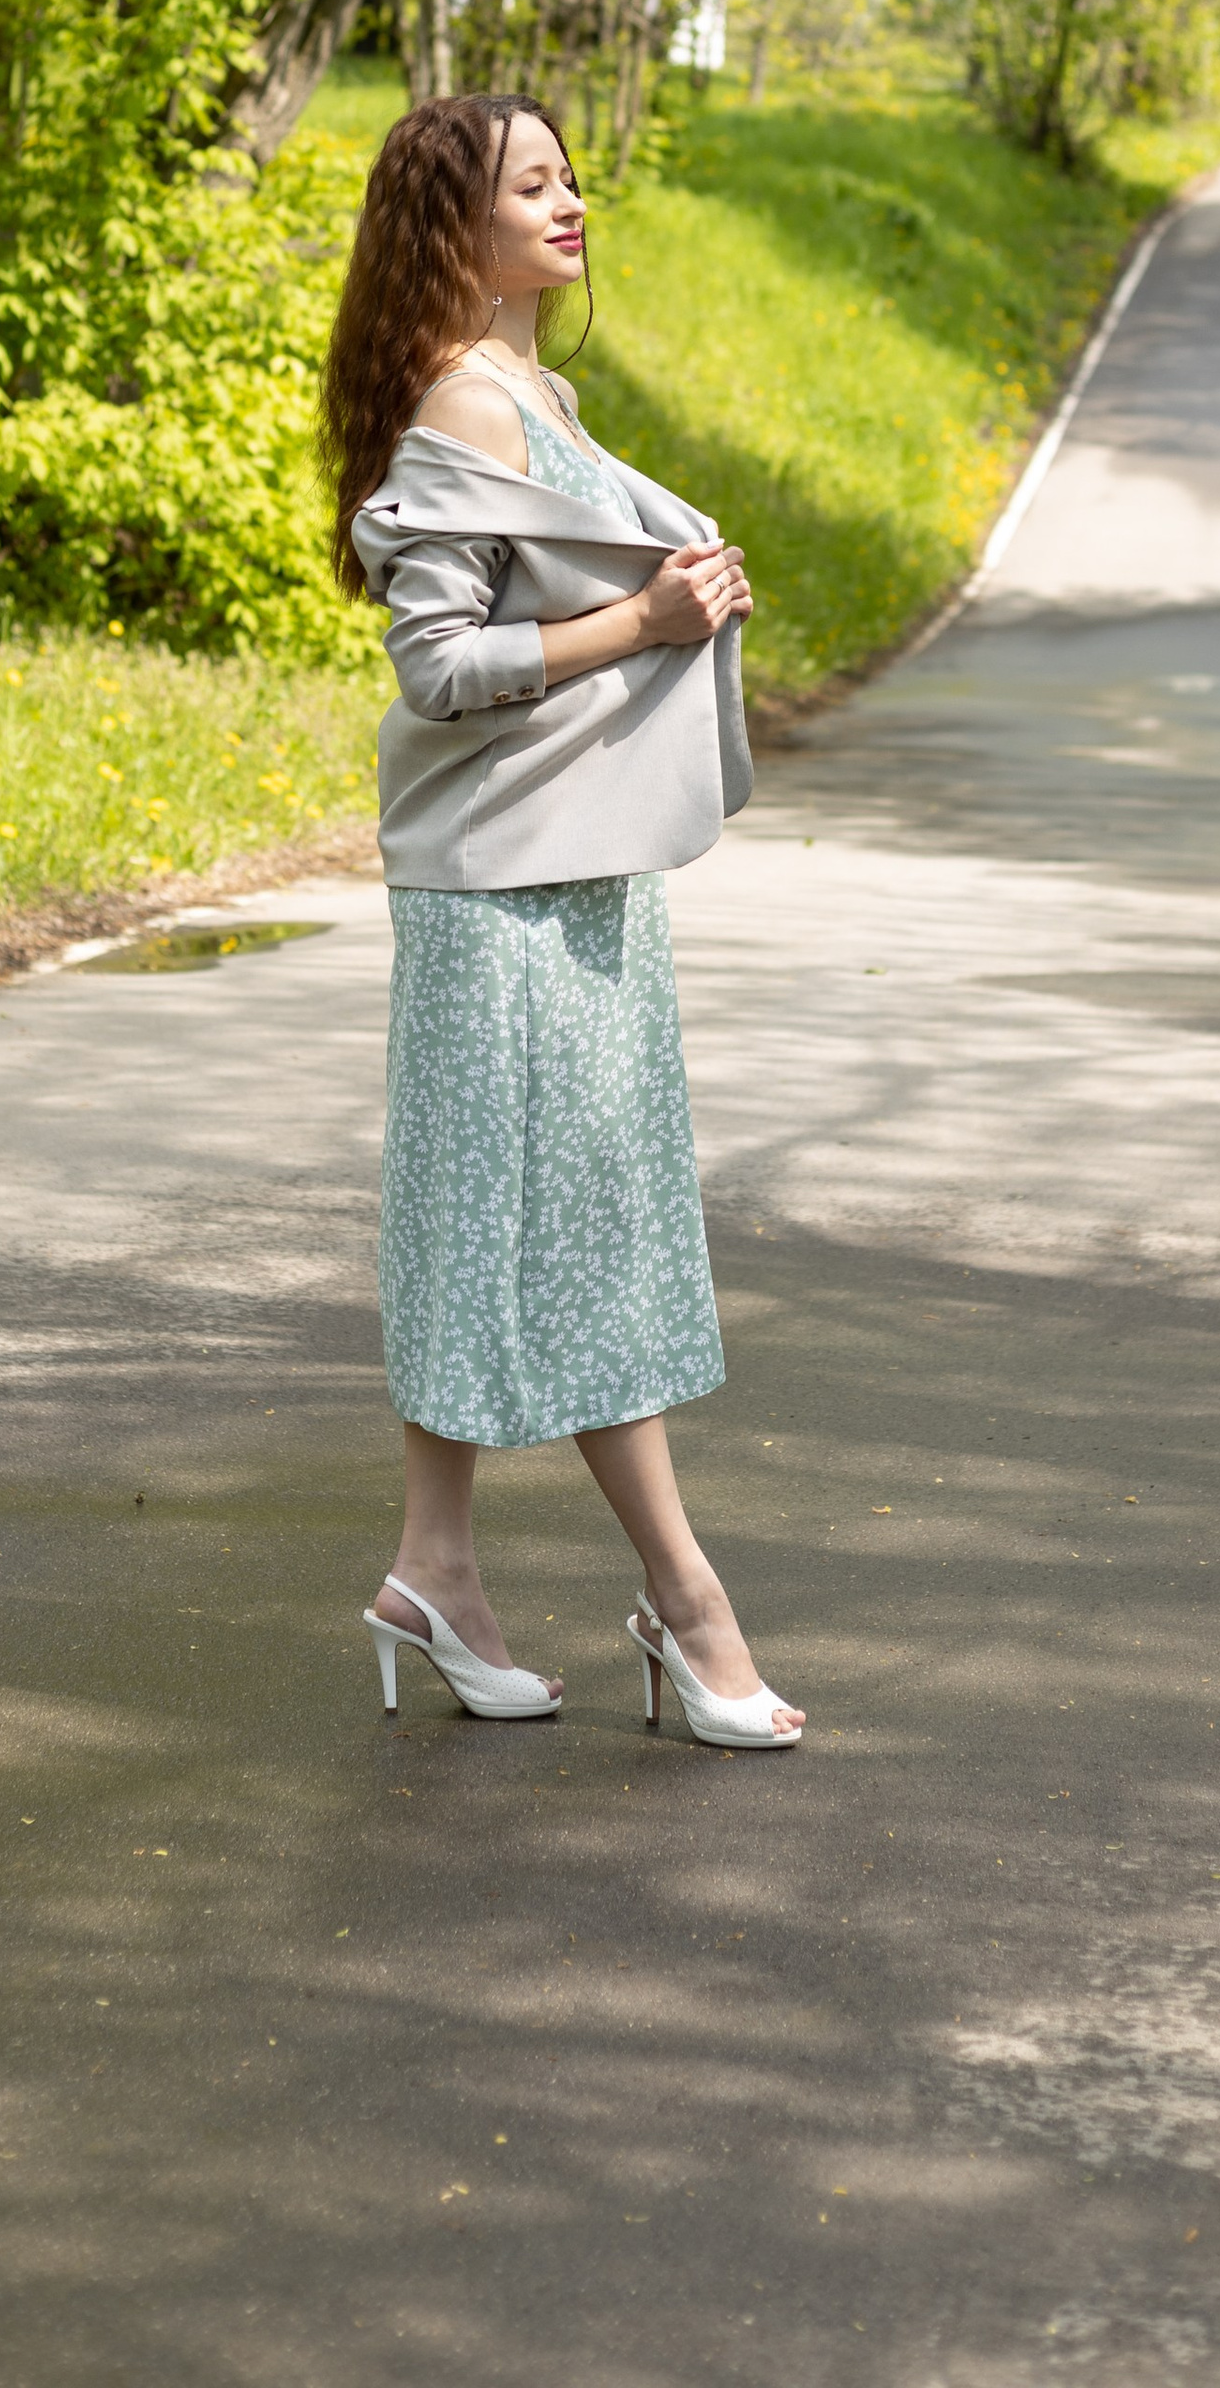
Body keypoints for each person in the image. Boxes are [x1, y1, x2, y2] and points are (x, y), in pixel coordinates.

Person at [319, 91, 804, 1749]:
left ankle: (435, 1572)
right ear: (456, 227)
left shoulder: (541, 393)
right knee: (580, 1234)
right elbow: (440, 668)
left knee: (485, 1226)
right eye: (532, 185)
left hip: (571, 874)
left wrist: (682, 608)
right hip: (503, 895)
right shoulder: (468, 401)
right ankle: (688, 1601)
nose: (569, 201)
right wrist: (646, 620)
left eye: (569, 176)